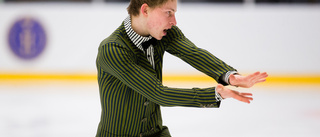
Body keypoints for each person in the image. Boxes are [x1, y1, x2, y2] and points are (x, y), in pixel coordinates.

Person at [95, 0, 268, 136]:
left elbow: (193, 53)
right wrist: (215, 93)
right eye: (168, 13)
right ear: (145, 10)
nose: (174, 21)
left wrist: (230, 77)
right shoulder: (112, 50)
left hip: (156, 133)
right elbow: (158, 93)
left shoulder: (165, 34)